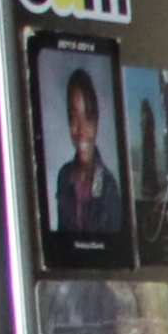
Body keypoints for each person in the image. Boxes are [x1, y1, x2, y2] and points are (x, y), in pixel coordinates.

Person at [52, 69, 125, 244]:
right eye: (73, 118)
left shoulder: (108, 187)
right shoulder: (64, 176)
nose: (81, 130)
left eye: (88, 117)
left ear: (97, 122)